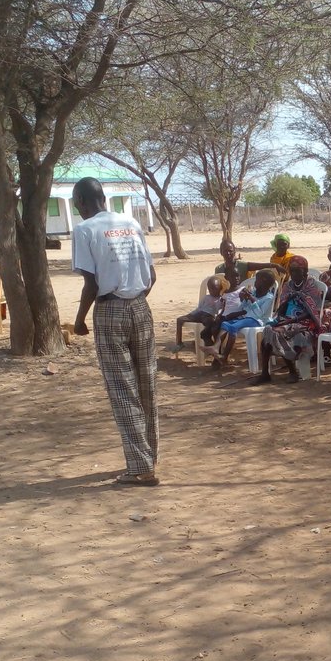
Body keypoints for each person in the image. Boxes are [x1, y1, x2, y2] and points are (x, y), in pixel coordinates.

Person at [71, 176, 159, 487]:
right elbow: (151, 276)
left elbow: (91, 284)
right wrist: (134, 301)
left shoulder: (84, 229)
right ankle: (148, 456)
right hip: (140, 307)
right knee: (146, 383)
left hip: (109, 309)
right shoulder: (131, 222)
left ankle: (140, 468)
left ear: (81, 201)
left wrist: (80, 319)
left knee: (122, 389)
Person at [254, 260, 323, 383]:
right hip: (287, 320)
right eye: (292, 271)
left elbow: (313, 311)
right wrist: (280, 317)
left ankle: (292, 372)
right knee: (268, 330)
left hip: (305, 323)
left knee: (278, 333)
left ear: (305, 272)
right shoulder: (288, 286)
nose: (294, 274)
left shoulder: (311, 286)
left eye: (297, 271)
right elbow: (282, 307)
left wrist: (294, 319)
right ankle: (265, 373)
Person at [212, 270, 278, 369]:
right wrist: (244, 299)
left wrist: (251, 299)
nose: (255, 282)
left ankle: (224, 356)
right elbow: (245, 308)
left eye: (257, 280)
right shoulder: (254, 293)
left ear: (264, 283)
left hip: (258, 321)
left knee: (233, 327)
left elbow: (260, 314)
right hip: (246, 317)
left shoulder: (269, 297)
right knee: (225, 324)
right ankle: (216, 347)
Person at [170, 275, 227, 353]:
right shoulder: (206, 297)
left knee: (210, 326)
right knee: (180, 320)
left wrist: (218, 310)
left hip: (209, 316)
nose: (212, 291)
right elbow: (199, 308)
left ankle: (211, 344)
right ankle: (179, 343)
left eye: (215, 288)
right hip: (199, 314)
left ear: (220, 288)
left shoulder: (220, 299)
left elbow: (219, 311)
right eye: (210, 288)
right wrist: (190, 315)